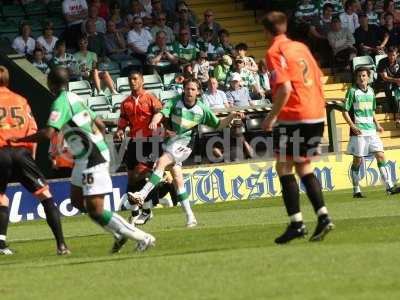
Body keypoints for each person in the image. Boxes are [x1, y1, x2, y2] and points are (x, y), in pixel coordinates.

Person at [15, 67, 155, 253]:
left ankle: (142, 237)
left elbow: (49, 133)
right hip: (86, 155)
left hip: (92, 157)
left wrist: (20, 139)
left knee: (96, 210)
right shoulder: (76, 97)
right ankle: (119, 233)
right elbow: (99, 124)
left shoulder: (60, 102)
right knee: (77, 201)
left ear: (51, 84)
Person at [128, 78, 243, 227]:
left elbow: (219, 125)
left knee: (161, 162)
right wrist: (155, 120)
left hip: (185, 144)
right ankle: (191, 218)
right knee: (178, 181)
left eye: (193, 89)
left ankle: (142, 195)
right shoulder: (175, 101)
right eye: (187, 88)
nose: (189, 92)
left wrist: (232, 115)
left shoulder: (202, 109)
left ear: (198, 92)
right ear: (184, 89)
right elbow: (162, 113)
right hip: (170, 142)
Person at [262, 11, 334, 244]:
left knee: (283, 167)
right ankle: (322, 217)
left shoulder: (274, 51)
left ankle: (297, 223)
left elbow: (284, 90)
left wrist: (271, 117)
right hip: (315, 112)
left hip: (295, 116)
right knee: (303, 166)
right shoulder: (300, 47)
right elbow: (319, 76)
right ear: (285, 27)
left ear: (265, 31)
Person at [0, 66, 69, 255]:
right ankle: (61, 245)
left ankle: (1, 244)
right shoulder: (21, 100)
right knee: (45, 196)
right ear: (7, 80)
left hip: (0, 152)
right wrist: (32, 158)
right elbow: (32, 131)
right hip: (22, 153)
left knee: (1, 198)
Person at [114, 70, 163, 226]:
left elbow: (159, 112)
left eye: (135, 79)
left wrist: (154, 121)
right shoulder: (126, 103)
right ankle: (136, 212)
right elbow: (123, 121)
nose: (132, 81)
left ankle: (147, 211)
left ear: (142, 81)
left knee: (138, 175)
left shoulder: (150, 98)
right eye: (130, 79)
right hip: (134, 142)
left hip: (151, 141)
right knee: (131, 178)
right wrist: (120, 131)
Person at [342, 67, 400, 198]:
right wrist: (352, 126)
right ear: (356, 78)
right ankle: (356, 190)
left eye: (363, 76)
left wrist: (378, 124)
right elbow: (344, 111)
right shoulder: (352, 91)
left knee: (380, 155)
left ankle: (389, 187)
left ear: (368, 77)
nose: (361, 78)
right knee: (358, 161)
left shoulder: (371, 91)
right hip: (359, 132)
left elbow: (372, 110)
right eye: (359, 76)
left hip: (371, 131)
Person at [377, 46, 400, 124]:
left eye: (393, 55)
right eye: (390, 55)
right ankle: (392, 110)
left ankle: (397, 114)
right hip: (384, 82)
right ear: (387, 54)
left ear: (397, 54)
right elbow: (385, 78)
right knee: (387, 87)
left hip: (397, 82)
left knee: (397, 96)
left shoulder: (399, 61)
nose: (391, 57)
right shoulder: (382, 62)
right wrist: (397, 80)